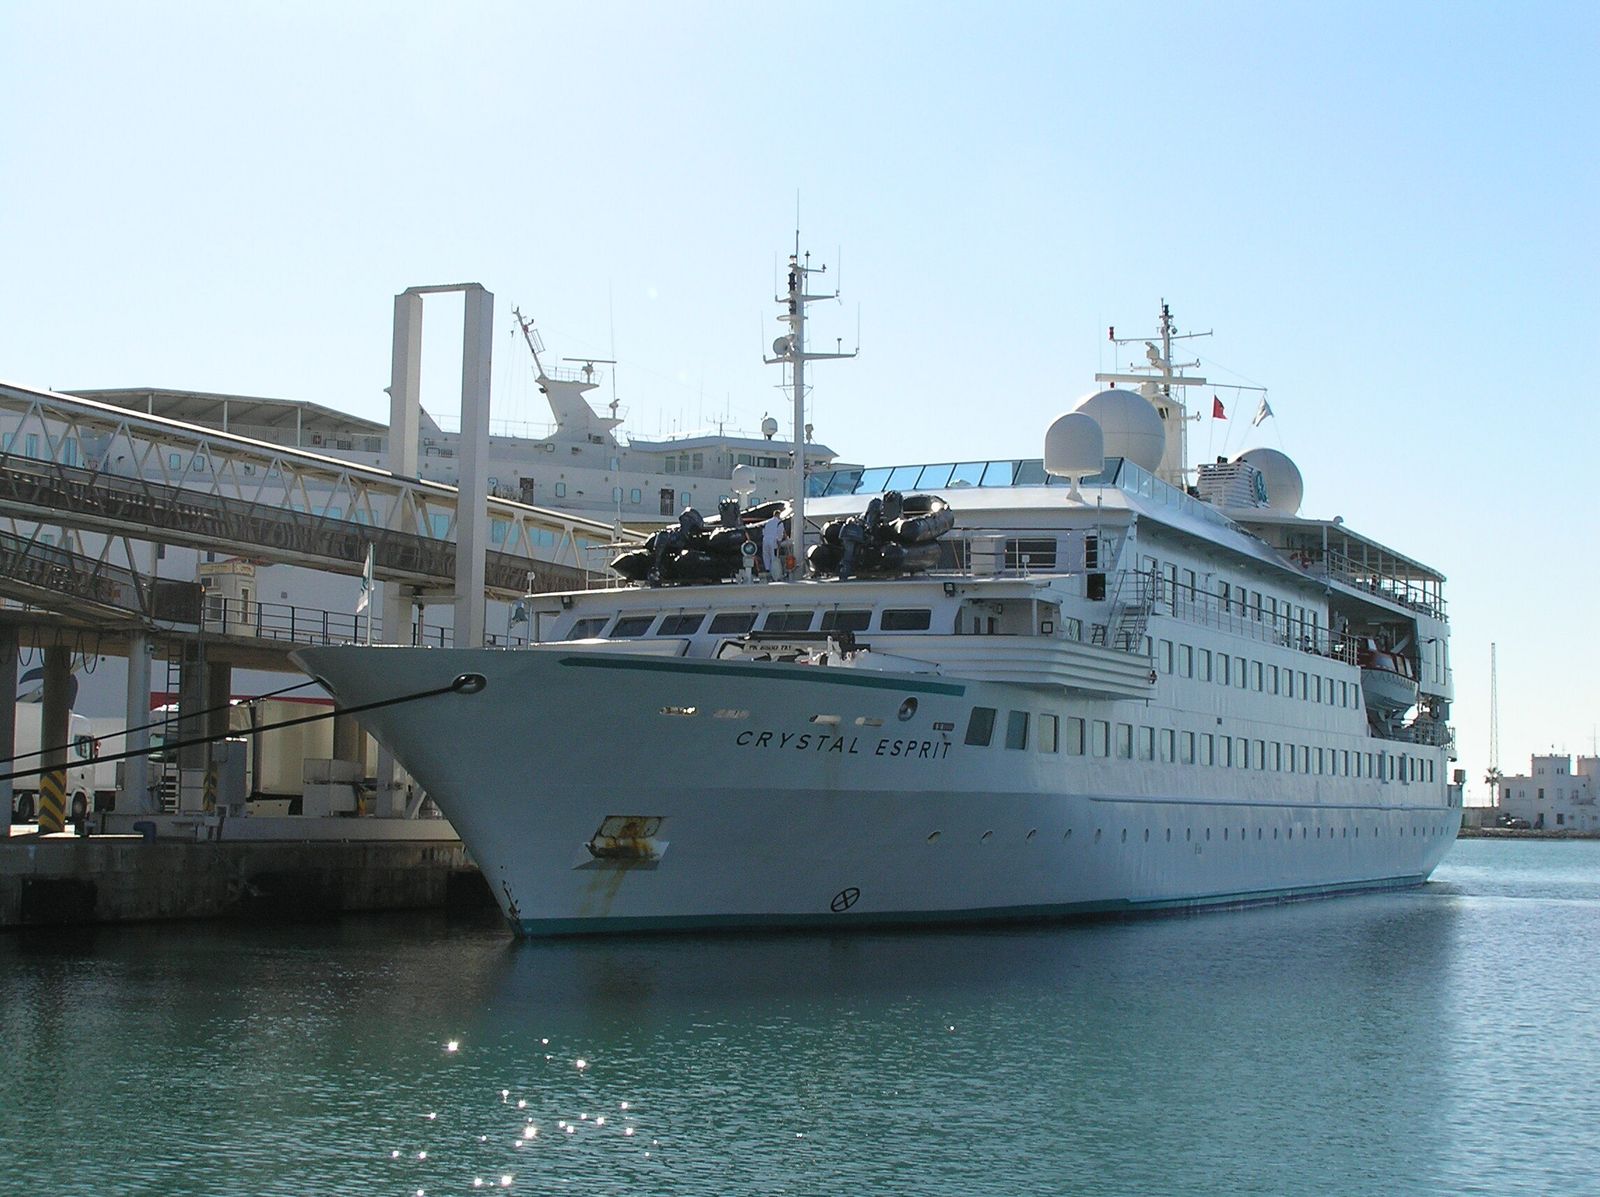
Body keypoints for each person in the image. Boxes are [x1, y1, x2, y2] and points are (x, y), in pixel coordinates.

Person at [761, 513, 784, 579]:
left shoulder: (767, 522)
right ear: (779, 515)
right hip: (773, 540)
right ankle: (774, 573)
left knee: (766, 555)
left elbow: (763, 531)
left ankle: (767, 569)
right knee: (773, 556)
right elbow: (780, 533)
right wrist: (779, 542)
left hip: (765, 540)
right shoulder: (779, 523)